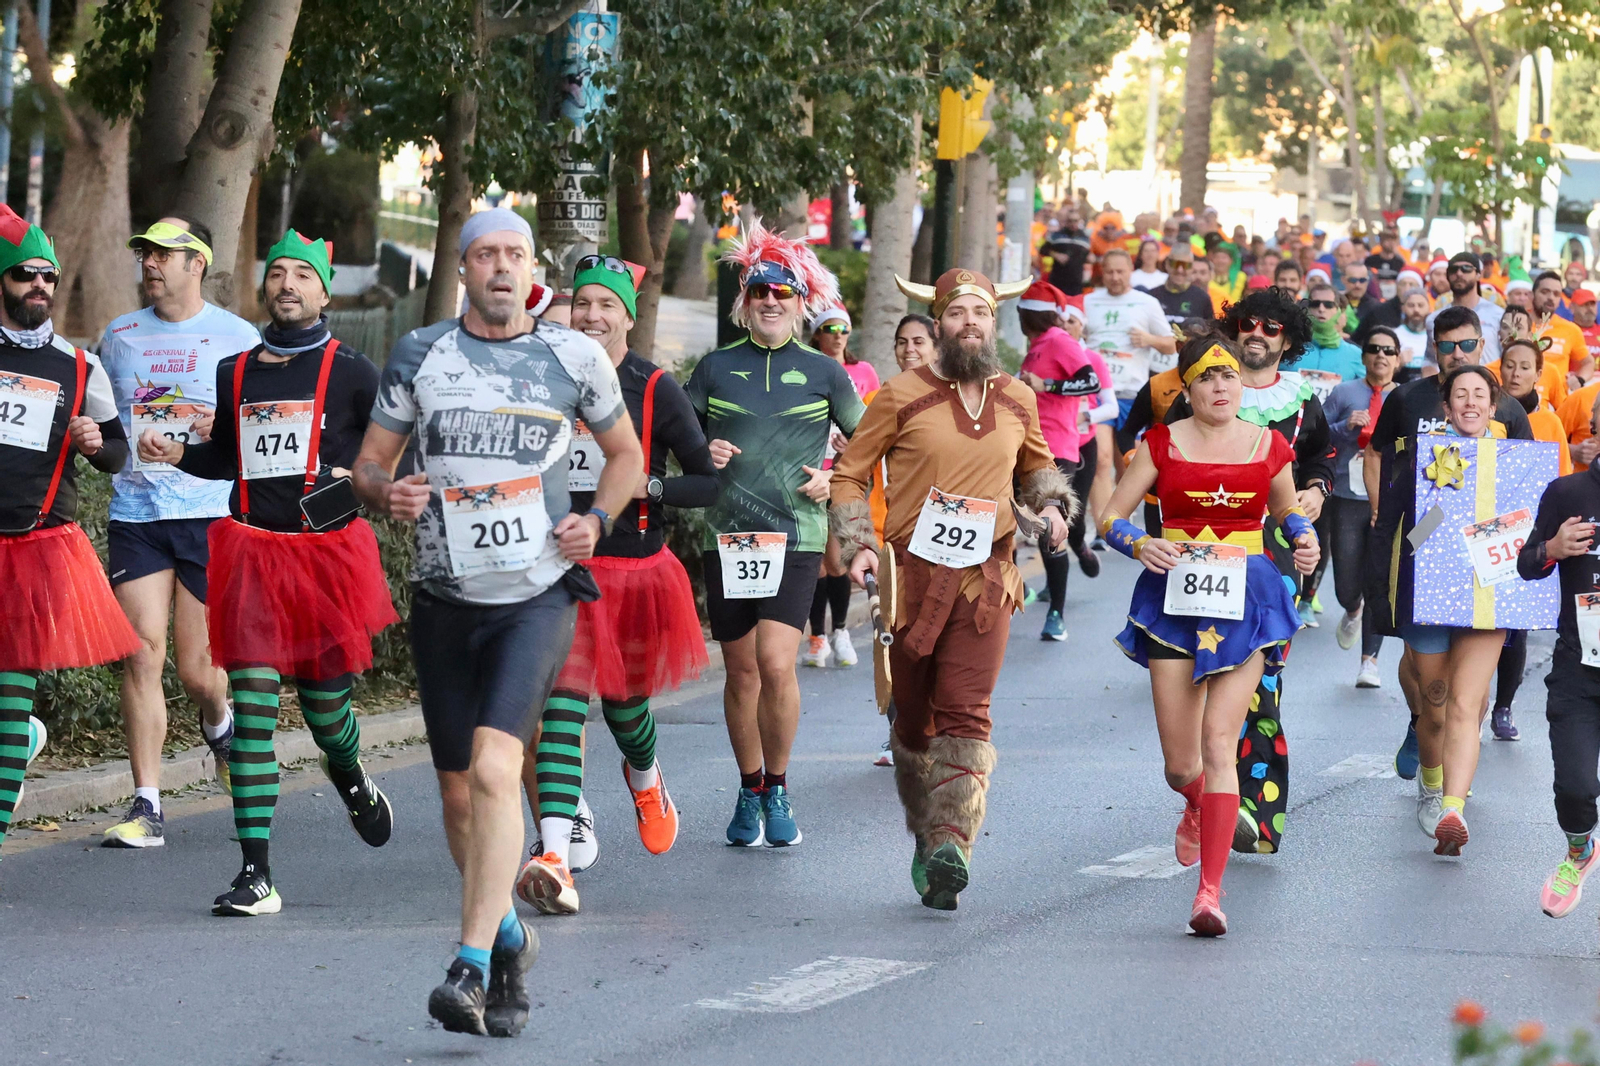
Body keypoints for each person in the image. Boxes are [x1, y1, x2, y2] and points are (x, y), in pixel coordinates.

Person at [353, 208, 643, 1036]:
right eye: (487, 255)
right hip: (445, 597)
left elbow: (626, 456)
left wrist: (599, 522)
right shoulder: (422, 354)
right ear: (466, 271)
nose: (503, 268)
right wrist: (387, 491)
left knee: (492, 770)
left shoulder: (573, 355)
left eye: (516, 254)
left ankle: (469, 965)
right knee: (457, 798)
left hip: (538, 595)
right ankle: (509, 936)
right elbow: (372, 461)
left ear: (532, 271)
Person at [136, 229, 397, 914]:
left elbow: (390, 460)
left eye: (301, 276)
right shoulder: (237, 370)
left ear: (323, 290)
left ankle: (351, 776)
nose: (286, 284)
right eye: (276, 273)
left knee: (325, 715)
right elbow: (227, 457)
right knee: (250, 712)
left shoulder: (354, 371)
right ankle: (257, 874)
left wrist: (353, 479)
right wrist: (177, 451)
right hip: (252, 554)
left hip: (323, 563)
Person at [830, 265, 1070, 911]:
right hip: (909, 579)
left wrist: (1051, 510)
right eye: (958, 314)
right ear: (939, 324)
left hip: (987, 582)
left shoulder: (1018, 398)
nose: (970, 325)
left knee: (967, 712)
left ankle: (951, 843)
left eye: (981, 315)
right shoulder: (899, 395)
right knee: (913, 719)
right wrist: (855, 545)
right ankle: (925, 829)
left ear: (994, 324)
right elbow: (849, 476)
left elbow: (1040, 467)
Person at [514, 256, 717, 915]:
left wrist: (648, 485)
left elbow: (707, 481)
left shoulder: (654, 386)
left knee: (627, 708)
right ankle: (552, 852)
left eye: (608, 304)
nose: (592, 315)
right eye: (583, 303)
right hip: (566, 570)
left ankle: (646, 776)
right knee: (562, 710)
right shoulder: (546, 378)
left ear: (629, 314)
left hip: (634, 573)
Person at [1102, 335, 1315, 935]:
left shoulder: (1268, 443)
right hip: (1175, 599)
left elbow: (1285, 509)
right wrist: (1142, 543)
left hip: (1245, 597)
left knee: (1222, 746)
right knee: (1181, 765)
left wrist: (1303, 538)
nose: (1220, 387)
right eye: (1206, 378)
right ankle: (1196, 803)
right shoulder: (1161, 443)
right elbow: (1110, 517)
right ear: (1188, 390)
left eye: (1228, 377)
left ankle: (1210, 894)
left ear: (1241, 385)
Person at [685, 220, 866, 849]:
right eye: (758, 290)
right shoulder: (713, 368)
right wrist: (702, 452)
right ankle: (749, 784)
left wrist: (833, 472)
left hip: (797, 536)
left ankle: (780, 787)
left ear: (800, 302)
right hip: (728, 537)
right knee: (740, 673)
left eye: (781, 293)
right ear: (744, 300)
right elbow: (674, 445)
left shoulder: (824, 373)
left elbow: (870, 444)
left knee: (774, 663)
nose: (769, 301)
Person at [98, 216, 261, 847]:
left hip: (207, 512)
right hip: (137, 513)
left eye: (165, 255)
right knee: (140, 653)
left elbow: (247, 429)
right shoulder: (120, 336)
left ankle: (218, 725)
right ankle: (147, 806)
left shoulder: (236, 337)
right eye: (145, 254)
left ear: (198, 263)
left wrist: (200, 425)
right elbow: (107, 422)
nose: (151, 265)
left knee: (198, 671)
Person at [1165, 287, 1333, 852]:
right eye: (1248, 324)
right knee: (1199, 679)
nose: (1257, 333)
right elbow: (1157, 468)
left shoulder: (1303, 402)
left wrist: (1313, 494)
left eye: (1271, 327)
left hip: (1273, 553)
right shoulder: (1194, 394)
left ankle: (1252, 814)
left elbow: (1320, 459)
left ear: (1288, 339)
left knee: (1262, 683)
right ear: (1233, 330)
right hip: (1199, 556)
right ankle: (1202, 792)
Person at [0, 206, 141, 863]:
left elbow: (118, 452)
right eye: (27, 274)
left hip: (35, 548)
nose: (40, 287)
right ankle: (22, 741)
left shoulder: (80, 368)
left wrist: (96, 441)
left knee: (8, 695)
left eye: (49, 277)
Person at [1365, 305, 1534, 781]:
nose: (1458, 354)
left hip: (1484, 571)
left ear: (1483, 346)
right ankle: (1420, 724)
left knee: (1469, 692)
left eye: (1467, 345)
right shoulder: (1407, 399)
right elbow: (1379, 456)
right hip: (1426, 565)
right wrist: (1394, 523)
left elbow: (1527, 497)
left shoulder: (1511, 413)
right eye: (1448, 346)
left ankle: (1451, 788)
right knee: (1425, 679)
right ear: (1434, 348)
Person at [1372, 365, 1516, 856]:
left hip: (1487, 597)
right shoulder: (1422, 459)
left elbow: (1532, 525)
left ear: (1493, 407)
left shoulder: (1513, 461)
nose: (1470, 403)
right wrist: (1442, 505)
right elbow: (1399, 532)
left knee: (1464, 704)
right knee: (1433, 704)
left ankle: (1452, 807)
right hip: (1429, 596)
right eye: (1461, 395)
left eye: (1480, 395)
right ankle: (1431, 787)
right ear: (1447, 407)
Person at [1517, 407, 1600, 915]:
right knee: (1575, 787)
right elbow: (1528, 564)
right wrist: (1553, 546)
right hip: (1578, 665)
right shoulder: (1567, 494)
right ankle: (1579, 848)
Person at [1485, 338, 1573, 745]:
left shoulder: (1551, 423)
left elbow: (1562, 478)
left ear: (1540, 374)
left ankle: (1503, 705)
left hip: (1527, 527)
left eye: (1525, 367)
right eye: (1509, 366)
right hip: (1484, 522)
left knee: (1513, 627)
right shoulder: (1487, 410)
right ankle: (1470, 701)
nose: (1516, 373)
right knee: (1477, 620)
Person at [1016, 280, 1115, 639]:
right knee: (1007, 521)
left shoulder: (1060, 341)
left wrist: (1047, 386)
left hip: (1057, 448)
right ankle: (1024, 589)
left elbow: (1089, 383)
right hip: (1024, 446)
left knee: (1049, 529)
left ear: (1027, 316)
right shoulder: (1038, 347)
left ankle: (1056, 614)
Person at [800, 305, 878, 668]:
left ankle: (841, 631)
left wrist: (857, 444)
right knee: (816, 562)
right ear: (816, 333)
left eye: (844, 328)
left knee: (836, 559)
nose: (837, 334)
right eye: (829, 327)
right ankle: (817, 637)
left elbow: (873, 423)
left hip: (844, 474)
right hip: (805, 472)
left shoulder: (863, 372)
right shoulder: (803, 366)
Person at [1321, 327, 1399, 688]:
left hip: (1388, 499)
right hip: (1347, 497)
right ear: (1363, 356)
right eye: (1373, 349)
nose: (1381, 356)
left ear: (1398, 359)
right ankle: (1352, 609)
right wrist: (1343, 426)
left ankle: (1370, 661)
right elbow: (1314, 436)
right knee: (1346, 584)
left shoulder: (1404, 398)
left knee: (1377, 580)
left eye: (1388, 350)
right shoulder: (1344, 392)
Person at [1083, 248, 1175, 535]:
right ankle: (1102, 527)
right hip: (1097, 391)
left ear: (1130, 272)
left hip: (1131, 393)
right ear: (1102, 272)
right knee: (1100, 460)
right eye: (1109, 271)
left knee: (1128, 462)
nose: (1115, 277)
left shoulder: (1146, 303)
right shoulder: (1088, 301)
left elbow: (1172, 344)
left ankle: (1121, 514)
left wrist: (1148, 339)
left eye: (1120, 271)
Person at [1428, 253, 1504, 366]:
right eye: (1453, 269)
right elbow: (1430, 361)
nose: (1459, 273)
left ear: (1479, 274)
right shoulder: (1434, 319)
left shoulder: (1498, 315)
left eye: (1466, 269)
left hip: (1488, 381)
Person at [1298, 282, 1365, 397]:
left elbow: (1367, 393)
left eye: (1328, 305)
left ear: (1338, 310)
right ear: (1308, 309)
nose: (1321, 309)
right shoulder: (1290, 349)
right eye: (1315, 304)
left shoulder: (1356, 355)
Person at [1534, 270, 1589, 388]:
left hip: (1557, 402)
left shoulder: (1570, 329)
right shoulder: (1518, 325)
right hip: (1522, 400)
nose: (1550, 298)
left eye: (1556, 294)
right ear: (1532, 294)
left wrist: (1580, 379)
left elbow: (1588, 363)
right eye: (1545, 292)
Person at [1147, 244, 1214, 326]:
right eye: (1175, 264)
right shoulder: (1151, 297)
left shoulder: (1202, 298)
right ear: (1167, 264)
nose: (1180, 270)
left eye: (1185, 265)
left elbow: (1211, 332)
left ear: (1191, 268)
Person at [1040, 207, 1091, 296]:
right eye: (1070, 221)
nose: (1073, 224)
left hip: (1076, 282)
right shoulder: (1056, 236)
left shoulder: (1084, 238)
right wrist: (1055, 254)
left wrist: (1090, 258)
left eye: (1075, 221)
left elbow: (1088, 256)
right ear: (1066, 221)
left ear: (1079, 221)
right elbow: (1043, 250)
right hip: (1058, 280)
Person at [1394, 290, 1434, 382]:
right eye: (1411, 305)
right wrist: (1398, 364)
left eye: (1421, 305)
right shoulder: (1394, 335)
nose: (1416, 310)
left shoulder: (1435, 335)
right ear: (1403, 308)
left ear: (1429, 307)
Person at [1366, 228, 1407, 300]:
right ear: (1381, 242)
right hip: (1374, 297)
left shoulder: (1399, 262)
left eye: (1393, 240)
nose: (1391, 243)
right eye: (1388, 240)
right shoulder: (1371, 260)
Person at [1573, 288, 1600, 388]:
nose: (1589, 308)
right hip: (1574, 385)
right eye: (1584, 304)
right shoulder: (1566, 330)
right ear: (1572, 307)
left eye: (1592, 304)